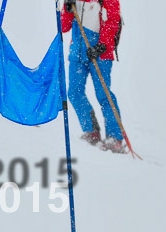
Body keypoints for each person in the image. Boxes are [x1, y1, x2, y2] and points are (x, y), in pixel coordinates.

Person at [62, 0, 126, 153]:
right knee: (74, 92)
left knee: (103, 94)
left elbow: (113, 21)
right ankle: (92, 131)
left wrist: (102, 46)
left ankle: (114, 137)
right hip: (77, 53)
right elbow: (64, 27)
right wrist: (67, 7)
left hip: (100, 54)